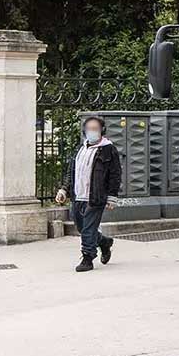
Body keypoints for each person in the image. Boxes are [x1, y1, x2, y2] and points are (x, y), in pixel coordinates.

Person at [55, 116, 121, 273]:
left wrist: (112, 196)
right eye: (89, 129)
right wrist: (64, 189)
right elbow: (72, 170)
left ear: (102, 131)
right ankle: (104, 242)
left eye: (95, 129)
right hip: (78, 195)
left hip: (96, 196)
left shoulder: (108, 149)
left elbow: (115, 174)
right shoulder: (81, 148)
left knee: (89, 228)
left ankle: (87, 257)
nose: (92, 132)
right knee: (81, 227)